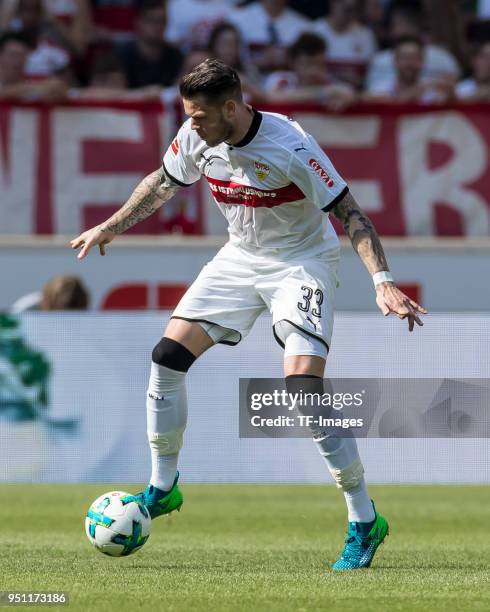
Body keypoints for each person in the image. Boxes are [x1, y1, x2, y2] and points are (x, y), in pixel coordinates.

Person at [71, 59, 427, 571]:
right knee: (167, 356)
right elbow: (163, 183)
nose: (191, 125)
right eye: (188, 116)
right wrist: (111, 225)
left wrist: (383, 281)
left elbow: (350, 212)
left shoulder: (291, 145)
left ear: (232, 108)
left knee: (303, 387)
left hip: (301, 263)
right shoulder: (197, 135)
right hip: (240, 258)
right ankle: (162, 486)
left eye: (198, 116)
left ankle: (365, 519)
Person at [264, 32, 357, 110]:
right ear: (293, 62)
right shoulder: (281, 79)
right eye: (308, 64)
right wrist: (322, 93)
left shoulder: (328, 83)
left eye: (320, 64)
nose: (314, 70)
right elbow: (271, 98)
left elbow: (348, 93)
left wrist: (345, 96)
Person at [117, 0, 184, 89]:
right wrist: (144, 94)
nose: (157, 26)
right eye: (151, 20)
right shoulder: (122, 55)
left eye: (162, 21)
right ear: (138, 23)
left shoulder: (176, 56)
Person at [365, 36, 455, 103]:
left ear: (422, 61)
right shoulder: (380, 89)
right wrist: (423, 88)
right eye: (404, 58)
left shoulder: (432, 92)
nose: (409, 63)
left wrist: (450, 90)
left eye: (414, 58)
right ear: (395, 61)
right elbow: (395, 101)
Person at [314, 0, 377, 87]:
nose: (347, 14)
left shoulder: (365, 35)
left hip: (353, 92)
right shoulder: (315, 30)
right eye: (344, 7)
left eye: (352, 9)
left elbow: (369, 74)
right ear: (332, 3)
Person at [0, 30, 67, 101]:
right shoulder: (36, 86)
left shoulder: (34, 79)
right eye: (12, 55)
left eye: (22, 55)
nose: (17, 61)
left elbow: (60, 89)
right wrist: (37, 88)